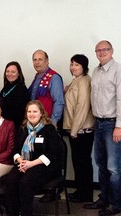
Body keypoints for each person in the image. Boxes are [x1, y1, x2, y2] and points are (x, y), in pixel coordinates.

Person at [83, 40, 121, 216]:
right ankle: (104, 199)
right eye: (98, 50)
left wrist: (119, 126)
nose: (101, 52)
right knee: (101, 164)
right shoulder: (96, 71)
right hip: (98, 123)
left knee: (114, 167)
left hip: (113, 124)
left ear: (112, 51)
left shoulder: (118, 70)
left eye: (105, 49)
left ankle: (116, 204)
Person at [5, 100, 62, 216]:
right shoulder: (23, 129)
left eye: (35, 111)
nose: (31, 114)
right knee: (11, 180)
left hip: (43, 166)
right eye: (29, 111)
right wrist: (21, 162)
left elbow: (52, 154)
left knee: (25, 182)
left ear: (41, 113)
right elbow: (15, 150)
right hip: (24, 163)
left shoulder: (49, 129)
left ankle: (26, 213)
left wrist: (30, 164)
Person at [63, 54, 95, 203]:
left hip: (82, 131)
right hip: (76, 130)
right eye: (72, 64)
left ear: (84, 66)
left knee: (83, 162)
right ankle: (80, 191)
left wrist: (74, 131)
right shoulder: (77, 81)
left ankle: (85, 194)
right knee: (78, 161)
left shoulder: (84, 82)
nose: (73, 67)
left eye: (76, 64)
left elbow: (82, 107)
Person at [28, 50, 64, 128]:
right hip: (35, 122)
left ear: (47, 61)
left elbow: (59, 101)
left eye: (40, 59)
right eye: (35, 60)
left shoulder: (54, 77)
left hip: (47, 123)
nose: (37, 62)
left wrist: (53, 122)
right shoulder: (37, 77)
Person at [0, 61, 30, 128]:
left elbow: (20, 113)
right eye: (7, 71)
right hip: (4, 125)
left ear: (19, 74)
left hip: (15, 126)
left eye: (13, 72)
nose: (10, 74)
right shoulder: (5, 88)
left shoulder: (21, 89)